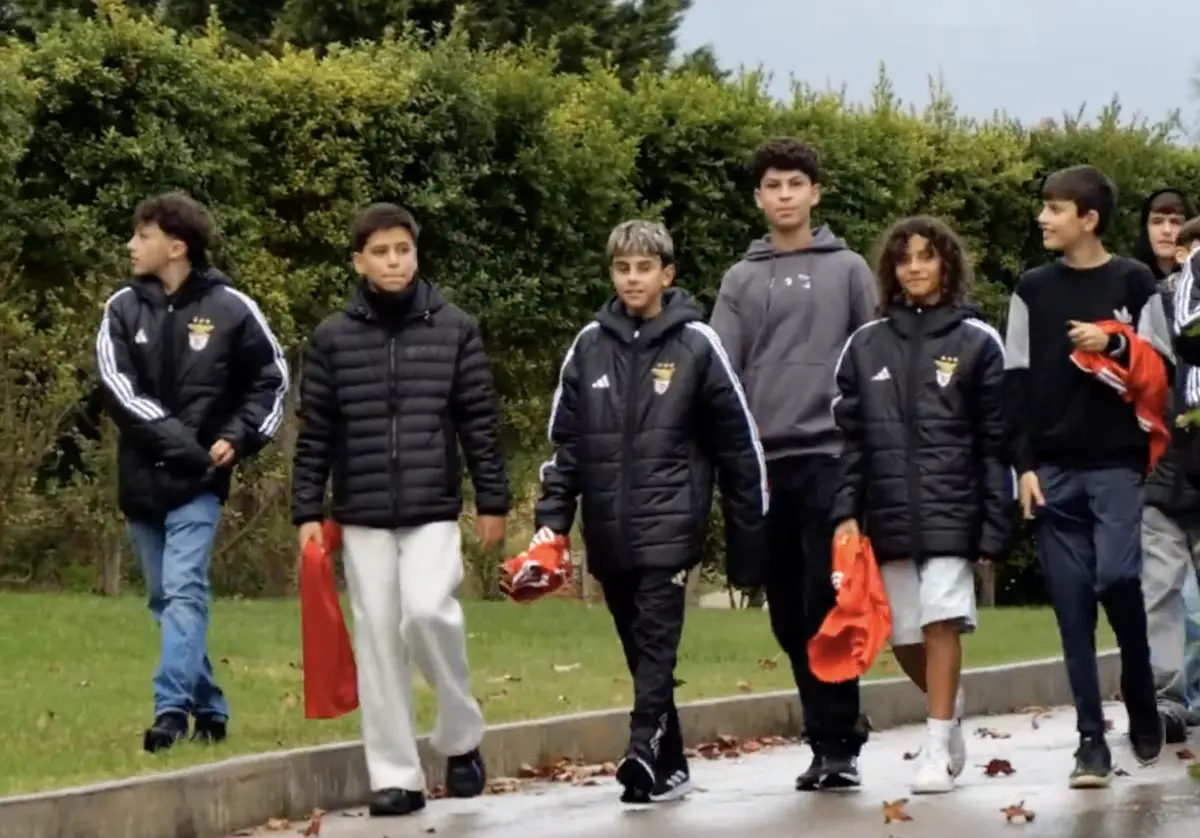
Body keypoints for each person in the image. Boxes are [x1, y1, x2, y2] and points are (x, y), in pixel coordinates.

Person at [533, 220, 768, 804]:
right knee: (639, 649)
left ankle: (639, 751)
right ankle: (671, 764)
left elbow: (740, 449)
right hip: (609, 532)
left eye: (644, 268)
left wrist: (750, 544)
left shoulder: (697, 345)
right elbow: (567, 447)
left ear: (668, 274)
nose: (633, 279)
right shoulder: (589, 345)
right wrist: (551, 525)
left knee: (658, 641)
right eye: (622, 268)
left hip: (671, 525)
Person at [290, 203, 509, 818]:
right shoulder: (332, 337)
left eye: (403, 250)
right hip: (359, 513)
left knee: (427, 614)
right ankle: (396, 776)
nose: (393, 261)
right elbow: (317, 432)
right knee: (379, 639)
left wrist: (492, 500)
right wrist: (307, 506)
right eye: (380, 252)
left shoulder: (455, 328)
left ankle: (461, 738)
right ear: (358, 261)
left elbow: (479, 424)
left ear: (416, 253)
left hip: (432, 508)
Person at [94, 191, 289, 753]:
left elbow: (271, 381)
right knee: (163, 599)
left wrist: (236, 437)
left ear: (176, 246)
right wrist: (190, 445)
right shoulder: (120, 309)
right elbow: (118, 391)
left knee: (184, 591)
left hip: (199, 488)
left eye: (143, 236)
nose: (132, 246)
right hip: (143, 483)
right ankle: (210, 705)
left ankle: (171, 709)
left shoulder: (232, 308)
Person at [710, 137, 877, 789]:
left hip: (832, 458)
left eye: (795, 184)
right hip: (763, 463)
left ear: (816, 193)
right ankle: (821, 738)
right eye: (773, 185)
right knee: (784, 610)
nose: (784, 195)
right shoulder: (741, 279)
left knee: (825, 601)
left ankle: (840, 743)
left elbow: (872, 357)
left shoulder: (850, 270)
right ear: (759, 198)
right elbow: (722, 371)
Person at [1004, 165, 1173, 788]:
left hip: (1117, 467)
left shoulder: (1134, 281)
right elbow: (1013, 386)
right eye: (1044, 207)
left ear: (1088, 219)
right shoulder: (1030, 290)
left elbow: (1164, 368)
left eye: (1055, 208)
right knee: (1072, 613)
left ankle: (1138, 681)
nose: (1043, 218)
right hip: (1051, 471)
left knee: (1118, 576)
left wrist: (1117, 343)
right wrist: (1022, 467)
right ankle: (1089, 744)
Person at [830, 216, 1012, 794]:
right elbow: (851, 441)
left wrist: (995, 523)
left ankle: (935, 749)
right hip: (887, 515)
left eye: (926, 257)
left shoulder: (978, 341)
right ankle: (949, 711)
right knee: (905, 635)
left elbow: (996, 440)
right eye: (904, 258)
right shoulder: (864, 345)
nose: (914, 267)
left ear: (946, 265)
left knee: (940, 620)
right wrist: (847, 513)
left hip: (954, 514)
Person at [1133, 194, 1200, 743]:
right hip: (1166, 469)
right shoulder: (1156, 304)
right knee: (1159, 589)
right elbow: (1149, 379)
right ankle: (1166, 698)